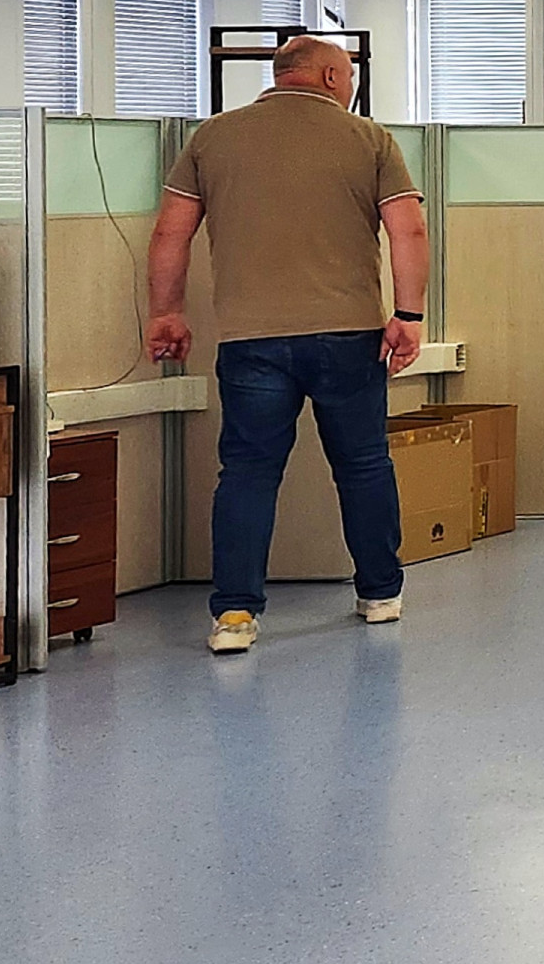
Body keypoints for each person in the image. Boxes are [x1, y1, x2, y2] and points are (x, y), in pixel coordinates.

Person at [145, 36, 429, 654]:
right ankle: (380, 593)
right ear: (329, 76)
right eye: (348, 75)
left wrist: (166, 313)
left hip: (251, 339)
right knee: (363, 464)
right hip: (349, 335)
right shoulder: (370, 140)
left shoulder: (212, 138)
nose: (349, 86)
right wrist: (408, 315)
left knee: (247, 472)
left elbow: (171, 233)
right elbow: (408, 230)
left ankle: (235, 616)